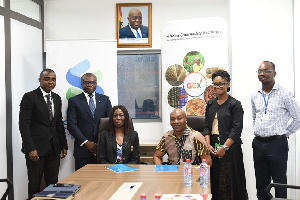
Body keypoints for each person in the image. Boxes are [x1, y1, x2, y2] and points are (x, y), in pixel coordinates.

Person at [251, 61, 300, 200]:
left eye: (266, 71)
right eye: (260, 71)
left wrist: (286, 133)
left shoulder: (284, 94)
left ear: (274, 73)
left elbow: (298, 117)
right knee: (261, 184)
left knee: (279, 183)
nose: (262, 74)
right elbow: (254, 117)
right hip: (258, 144)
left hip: (277, 144)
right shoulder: (255, 95)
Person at [19, 69, 68, 200]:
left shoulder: (57, 98)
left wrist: (63, 145)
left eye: (53, 79)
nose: (50, 82)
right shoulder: (29, 97)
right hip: (36, 150)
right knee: (35, 184)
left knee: (53, 184)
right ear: (40, 80)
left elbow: (58, 124)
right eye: (47, 79)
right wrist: (30, 148)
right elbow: (24, 125)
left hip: (53, 149)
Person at [202, 70, 248, 200]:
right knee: (214, 181)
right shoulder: (211, 104)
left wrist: (224, 148)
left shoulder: (235, 104)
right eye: (215, 84)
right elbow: (206, 127)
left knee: (230, 183)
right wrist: (207, 144)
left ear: (228, 84)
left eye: (221, 83)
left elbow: (236, 130)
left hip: (230, 149)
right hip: (213, 147)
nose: (217, 87)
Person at [67, 73, 112, 170]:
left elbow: (110, 122)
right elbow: (71, 124)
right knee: (82, 182)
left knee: (102, 181)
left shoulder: (105, 99)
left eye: (92, 82)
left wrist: (100, 142)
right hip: (82, 150)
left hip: (102, 149)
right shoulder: (74, 101)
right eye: (86, 82)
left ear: (96, 84)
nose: (89, 84)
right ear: (82, 84)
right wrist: (86, 142)